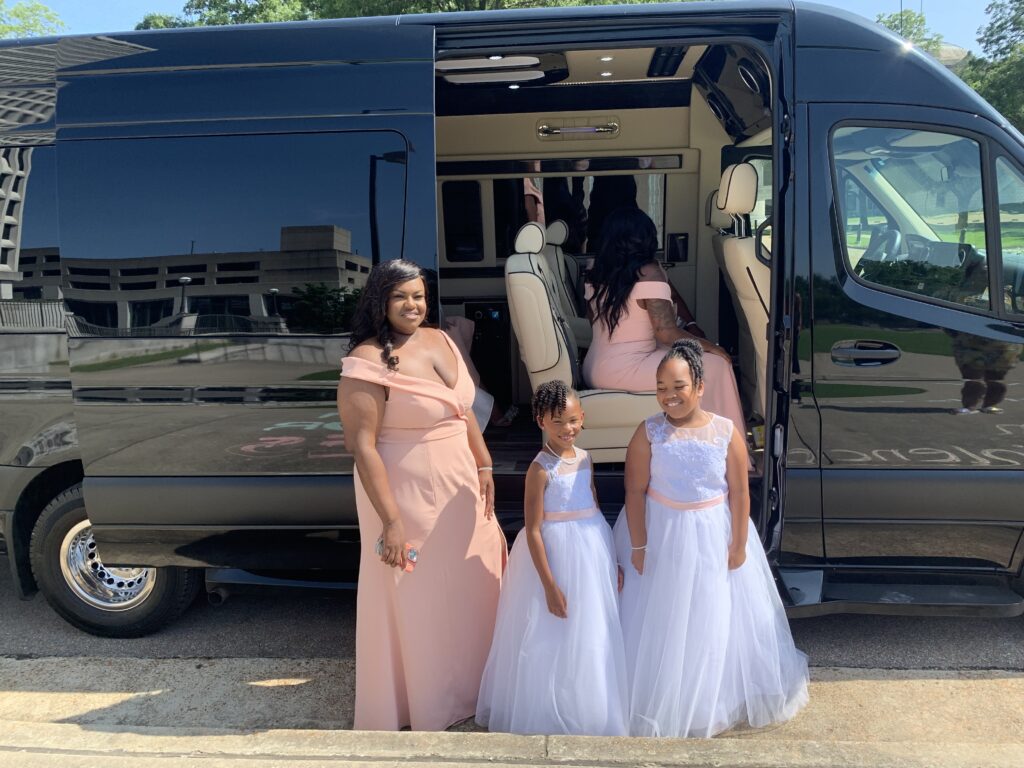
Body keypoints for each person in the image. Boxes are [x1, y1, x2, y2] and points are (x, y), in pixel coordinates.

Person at [336, 259, 506, 731]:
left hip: (458, 481)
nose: (412, 305)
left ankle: (471, 691)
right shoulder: (366, 361)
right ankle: (425, 704)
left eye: (418, 295)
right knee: (416, 597)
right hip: (402, 493)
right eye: (400, 297)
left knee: (469, 586)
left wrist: (485, 463)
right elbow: (362, 447)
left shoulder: (442, 338)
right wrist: (391, 521)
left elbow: (463, 409)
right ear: (379, 301)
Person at [613, 339, 808, 738]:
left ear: (700, 386)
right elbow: (634, 491)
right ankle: (665, 693)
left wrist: (738, 543)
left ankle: (711, 696)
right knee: (664, 618)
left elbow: (739, 492)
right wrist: (638, 543)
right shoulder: (648, 432)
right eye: (661, 387)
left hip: (712, 534)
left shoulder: (725, 431)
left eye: (678, 386)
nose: (669, 395)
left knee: (711, 615)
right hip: (663, 534)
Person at [476, 380, 628, 736]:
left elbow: (593, 506)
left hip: (590, 553)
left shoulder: (587, 459)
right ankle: (549, 706)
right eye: (558, 421)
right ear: (541, 420)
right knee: (553, 633)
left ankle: (587, 705)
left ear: (583, 418)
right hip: (555, 557)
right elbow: (532, 530)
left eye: (573, 421)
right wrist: (548, 585)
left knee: (590, 631)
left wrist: (611, 560)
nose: (567, 429)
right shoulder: (540, 469)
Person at [582, 207, 745, 438]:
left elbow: (594, 322)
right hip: (627, 369)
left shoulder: (595, 270)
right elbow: (666, 332)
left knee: (685, 357)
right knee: (715, 365)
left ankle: (699, 436)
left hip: (594, 366)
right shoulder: (650, 272)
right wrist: (715, 348)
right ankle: (727, 446)